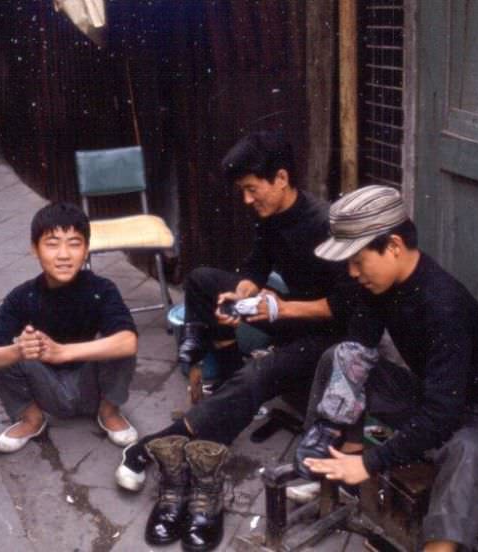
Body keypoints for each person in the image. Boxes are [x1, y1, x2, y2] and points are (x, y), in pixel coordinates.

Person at [117, 131, 355, 551]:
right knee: (204, 280)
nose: (247, 200)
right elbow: (257, 267)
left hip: (329, 337)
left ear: (281, 178)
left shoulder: (325, 224)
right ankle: (217, 368)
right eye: (243, 191)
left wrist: (278, 309)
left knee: (260, 372)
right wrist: (244, 292)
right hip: (289, 312)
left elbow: (345, 308)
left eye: (251, 189)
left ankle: (153, 446)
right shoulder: (270, 216)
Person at [297, 185, 478, 552]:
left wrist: (373, 462)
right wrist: (335, 416)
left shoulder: (442, 304)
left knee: (465, 451)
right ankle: (333, 460)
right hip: (435, 396)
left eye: (358, 261)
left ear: (392, 246)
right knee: (338, 358)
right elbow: (361, 347)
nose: (353, 273)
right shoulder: (379, 283)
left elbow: (442, 415)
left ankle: (437, 546)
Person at [0, 202, 138, 453]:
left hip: (90, 384)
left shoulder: (101, 290)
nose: (63, 255)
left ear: (86, 250)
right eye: (52, 244)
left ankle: (109, 411)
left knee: (118, 342)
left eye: (74, 243)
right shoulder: (21, 297)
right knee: (2, 354)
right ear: (35, 249)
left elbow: (128, 341)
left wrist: (63, 352)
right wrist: (19, 350)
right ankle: (32, 419)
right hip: (45, 387)